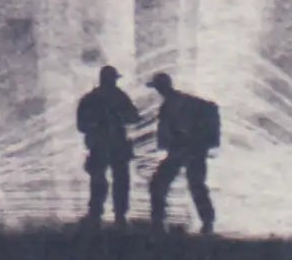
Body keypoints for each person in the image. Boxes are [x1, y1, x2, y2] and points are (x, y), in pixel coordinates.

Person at [146, 72, 220, 233]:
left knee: (163, 183)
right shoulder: (178, 102)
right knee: (194, 184)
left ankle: (159, 222)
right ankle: (206, 222)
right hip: (189, 150)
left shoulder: (176, 103)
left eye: (157, 87)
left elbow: (174, 129)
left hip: (186, 150)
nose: (157, 91)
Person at [75, 65, 140, 226]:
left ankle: (98, 214)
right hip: (112, 145)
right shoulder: (119, 97)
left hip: (103, 145)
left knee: (102, 180)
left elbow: (81, 125)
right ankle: (116, 215)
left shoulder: (91, 98)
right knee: (117, 181)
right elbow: (134, 117)